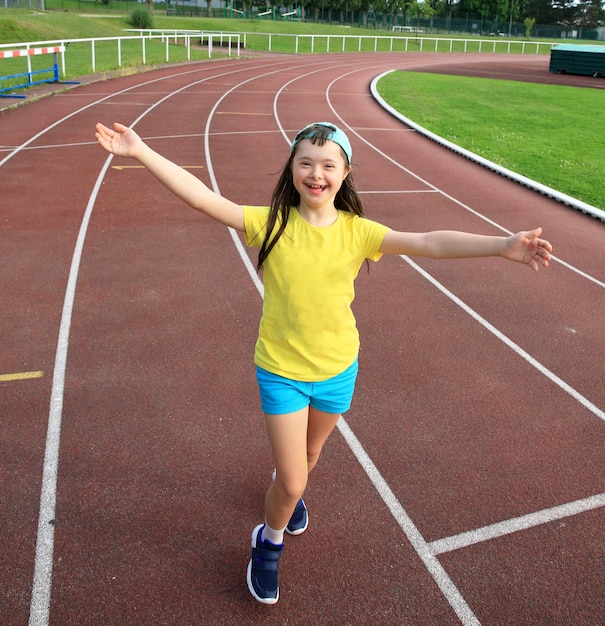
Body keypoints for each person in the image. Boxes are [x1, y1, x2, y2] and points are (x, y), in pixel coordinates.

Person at [95, 121, 552, 605]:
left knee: (308, 462)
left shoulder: (359, 233)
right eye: (306, 163)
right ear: (292, 168)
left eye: (328, 165)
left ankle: (287, 497)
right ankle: (266, 543)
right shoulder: (271, 222)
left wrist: (501, 247)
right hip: (282, 372)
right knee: (292, 480)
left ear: (346, 172)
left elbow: (430, 242)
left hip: (338, 371)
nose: (317, 174)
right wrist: (141, 151)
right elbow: (203, 199)